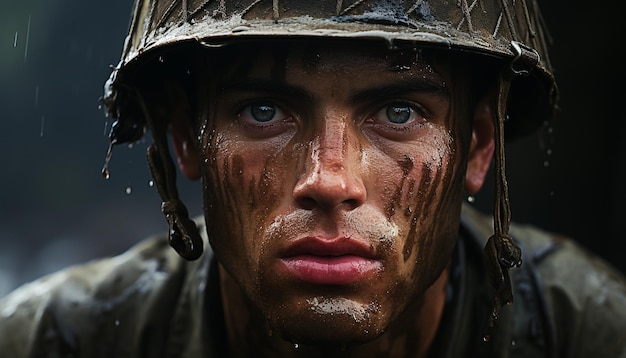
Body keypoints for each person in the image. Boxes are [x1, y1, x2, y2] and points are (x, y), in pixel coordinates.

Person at [1, 0, 625, 357]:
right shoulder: (54, 344)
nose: (330, 179)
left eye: (399, 113)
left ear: (477, 146)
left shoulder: (591, 337)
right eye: (264, 111)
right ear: (186, 138)